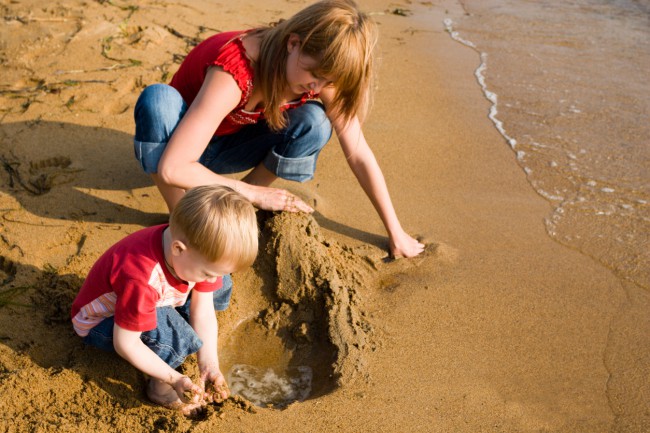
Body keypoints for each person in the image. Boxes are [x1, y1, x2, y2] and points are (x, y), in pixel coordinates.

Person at [133, 0, 424, 258]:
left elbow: (358, 152)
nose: (317, 87)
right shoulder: (237, 69)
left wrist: (394, 231)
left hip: (230, 146)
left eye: (327, 82)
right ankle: (182, 215)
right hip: (178, 146)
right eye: (315, 75)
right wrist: (255, 196)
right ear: (293, 43)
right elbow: (174, 167)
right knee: (158, 100)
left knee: (315, 121)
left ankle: (238, 204)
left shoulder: (319, 76)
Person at [70, 185, 258, 414]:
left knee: (222, 283)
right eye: (208, 273)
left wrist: (209, 363)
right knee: (176, 334)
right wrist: (174, 379)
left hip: (153, 297)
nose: (212, 277)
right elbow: (126, 343)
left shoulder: (189, 248)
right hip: (103, 324)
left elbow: (204, 308)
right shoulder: (141, 279)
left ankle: (183, 326)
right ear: (178, 249)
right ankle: (159, 389)